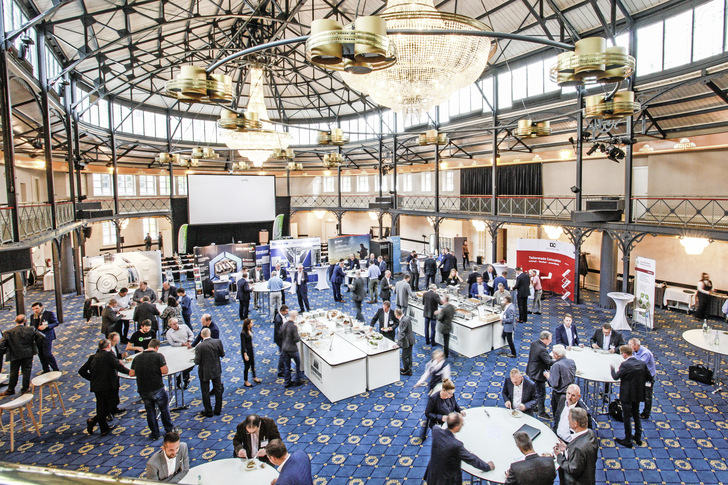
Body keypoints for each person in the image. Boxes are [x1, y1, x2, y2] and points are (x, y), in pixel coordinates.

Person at [424, 412, 494, 484]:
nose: (462, 425)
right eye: (461, 423)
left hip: (432, 476)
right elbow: (471, 459)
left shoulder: (436, 431)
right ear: (456, 427)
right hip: (446, 481)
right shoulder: (456, 445)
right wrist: (487, 466)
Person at [79, 338, 130, 435]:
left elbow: (81, 371)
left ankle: (103, 428)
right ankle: (94, 420)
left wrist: (92, 379)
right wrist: (130, 372)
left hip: (97, 386)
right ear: (108, 346)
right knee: (111, 404)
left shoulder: (92, 357)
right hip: (109, 385)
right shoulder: (109, 354)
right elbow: (118, 367)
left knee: (101, 406)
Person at [129, 339, 174, 439]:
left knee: (150, 412)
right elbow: (165, 371)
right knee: (164, 409)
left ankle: (155, 433)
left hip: (143, 390)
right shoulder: (158, 356)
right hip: (157, 388)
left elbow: (131, 373)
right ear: (157, 347)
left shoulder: (137, 357)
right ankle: (169, 430)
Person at [611, 344, 649, 448]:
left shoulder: (625, 365)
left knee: (626, 417)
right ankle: (638, 437)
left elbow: (615, 377)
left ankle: (628, 439)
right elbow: (648, 376)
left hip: (627, 396)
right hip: (638, 394)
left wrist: (612, 369)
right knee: (636, 415)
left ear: (624, 354)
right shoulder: (642, 363)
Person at [0, 315, 45, 396]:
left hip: (14, 354)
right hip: (28, 353)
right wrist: (34, 345)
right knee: (26, 371)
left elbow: (1, 344)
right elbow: (42, 336)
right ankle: (25, 389)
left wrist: (4, 350)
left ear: (15, 321)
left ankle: (10, 390)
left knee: (13, 372)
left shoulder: (8, 332)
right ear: (25, 321)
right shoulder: (30, 329)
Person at [553, 408, 598, 485]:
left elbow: (573, 469)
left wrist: (559, 456)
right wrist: (567, 448)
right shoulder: (590, 433)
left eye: (569, 419)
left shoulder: (578, 448)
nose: (568, 420)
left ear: (575, 424)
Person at [195, 327, 225, 417]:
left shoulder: (199, 346)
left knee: (205, 391)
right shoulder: (217, 342)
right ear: (210, 334)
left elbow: (197, 361)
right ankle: (218, 410)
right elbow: (222, 354)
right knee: (218, 390)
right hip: (216, 369)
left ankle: (208, 411)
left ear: (201, 335)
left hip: (204, 372)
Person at [526, 330, 555, 420]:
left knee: (537, 392)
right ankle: (541, 413)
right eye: (550, 339)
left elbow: (541, 357)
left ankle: (535, 407)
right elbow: (549, 362)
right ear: (545, 339)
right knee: (541, 394)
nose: (550, 341)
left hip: (531, 370)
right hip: (538, 374)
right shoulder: (542, 349)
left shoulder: (534, 343)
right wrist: (558, 361)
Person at [544, 344, 576, 418]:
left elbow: (554, 384)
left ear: (556, 355)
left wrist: (548, 377)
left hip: (559, 395)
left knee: (558, 416)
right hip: (570, 393)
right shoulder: (572, 361)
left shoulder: (556, 365)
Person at [29, 301, 60, 373]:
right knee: (41, 354)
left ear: (42, 307)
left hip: (47, 336)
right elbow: (32, 326)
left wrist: (47, 326)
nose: (35, 310)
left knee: (47, 354)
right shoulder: (33, 316)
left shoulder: (49, 314)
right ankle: (46, 369)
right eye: (33, 309)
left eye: (36, 308)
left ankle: (55, 369)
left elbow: (56, 323)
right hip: (37, 337)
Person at [630, 337, 656, 419]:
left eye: (630, 345)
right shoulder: (635, 351)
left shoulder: (645, 353)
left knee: (647, 396)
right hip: (640, 377)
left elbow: (639, 366)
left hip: (648, 378)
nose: (629, 347)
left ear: (636, 345)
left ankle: (646, 413)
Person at [165, 318, 193, 389]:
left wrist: (189, 341)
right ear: (170, 325)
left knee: (190, 364)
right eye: (174, 324)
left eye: (177, 323)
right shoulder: (169, 333)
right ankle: (185, 380)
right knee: (183, 365)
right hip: (178, 350)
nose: (176, 325)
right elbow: (172, 343)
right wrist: (182, 344)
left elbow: (191, 335)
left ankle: (181, 377)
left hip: (189, 348)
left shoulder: (184, 327)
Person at [281, 311, 304, 388]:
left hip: (284, 348)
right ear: (295, 316)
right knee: (298, 364)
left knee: (287, 366)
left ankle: (287, 382)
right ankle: (298, 379)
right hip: (292, 349)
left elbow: (280, 334)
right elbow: (296, 339)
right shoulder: (293, 326)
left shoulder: (284, 325)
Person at [241, 318, 262, 387]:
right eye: (251, 323)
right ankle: (246, 381)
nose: (253, 324)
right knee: (247, 366)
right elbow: (243, 345)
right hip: (246, 351)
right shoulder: (243, 333)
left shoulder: (250, 330)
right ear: (247, 325)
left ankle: (254, 377)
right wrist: (245, 354)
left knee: (252, 363)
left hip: (250, 349)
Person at [435, 294, 455, 358]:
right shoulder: (452, 307)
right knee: (447, 340)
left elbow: (440, 318)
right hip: (449, 325)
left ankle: (445, 354)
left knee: (445, 341)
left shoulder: (444, 310)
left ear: (445, 300)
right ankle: (446, 353)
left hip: (443, 327)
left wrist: (437, 313)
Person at [395, 308, 414, 375]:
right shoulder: (406, 318)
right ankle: (409, 369)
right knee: (409, 355)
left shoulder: (403, 321)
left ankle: (407, 370)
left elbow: (402, 333)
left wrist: (398, 344)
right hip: (410, 340)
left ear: (397, 315)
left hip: (407, 342)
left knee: (404, 356)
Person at [273, 305, 289, 378]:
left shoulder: (281, 316)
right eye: (286, 311)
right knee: (282, 355)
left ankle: (285, 368)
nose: (287, 313)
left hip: (282, 339)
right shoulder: (278, 319)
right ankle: (280, 371)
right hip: (281, 340)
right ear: (282, 311)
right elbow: (279, 332)